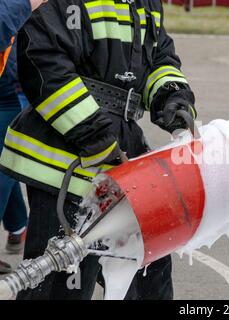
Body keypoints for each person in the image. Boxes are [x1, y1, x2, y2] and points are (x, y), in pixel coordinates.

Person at [0, 0, 197, 299]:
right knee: (62, 285)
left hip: (125, 161)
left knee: (148, 279)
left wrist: (173, 99)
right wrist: (95, 136)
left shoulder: (146, 3)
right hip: (65, 166)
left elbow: (159, 57)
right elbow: (44, 62)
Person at [0, 0, 48, 275]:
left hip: (14, 80)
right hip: (16, 80)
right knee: (7, 164)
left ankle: (18, 225)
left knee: (8, 160)